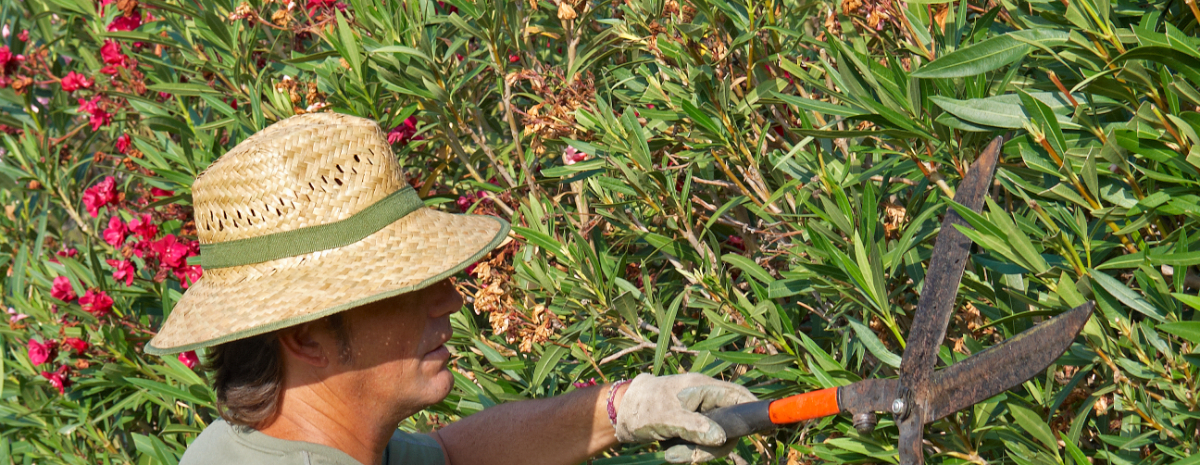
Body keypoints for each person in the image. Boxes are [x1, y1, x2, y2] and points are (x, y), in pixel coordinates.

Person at [147, 112, 756, 465]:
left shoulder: (260, 446)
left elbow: (454, 457)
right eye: (407, 289)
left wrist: (622, 409)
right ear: (306, 334)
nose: (451, 301)